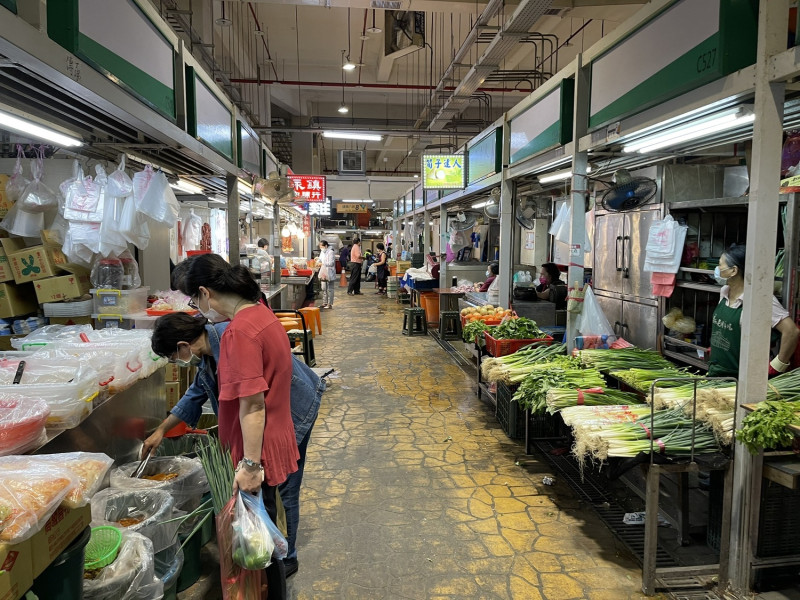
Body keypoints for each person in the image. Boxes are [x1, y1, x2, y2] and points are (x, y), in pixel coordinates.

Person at [146, 313, 324, 578]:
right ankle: (270, 548)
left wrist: (251, 463)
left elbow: (253, 405)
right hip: (268, 415)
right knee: (268, 487)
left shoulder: (234, 339)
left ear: (183, 346)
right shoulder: (208, 355)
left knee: (285, 485)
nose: (176, 363)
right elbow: (195, 394)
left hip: (293, 409)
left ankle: (288, 556)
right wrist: (161, 429)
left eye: (173, 357)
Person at [180, 253, 298, 597]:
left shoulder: (239, 332)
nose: (199, 308)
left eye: (194, 300)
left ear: (204, 292)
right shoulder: (262, 313)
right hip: (275, 435)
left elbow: (252, 404)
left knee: (260, 539)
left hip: (258, 447)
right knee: (267, 529)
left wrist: (249, 464)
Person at [707, 244, 799, 378]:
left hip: (741, 379)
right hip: (716, 371)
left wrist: (778, 365)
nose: (717, 269)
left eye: (720, 265)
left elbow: (791, 332)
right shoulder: (725, 292)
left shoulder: (759, 299)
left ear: (733, 271)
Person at [318, 239, 336, 309]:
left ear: (325, 246)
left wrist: (322, 264)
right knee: (323, 288)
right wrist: (317, 260)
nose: (321, 249)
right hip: (323, 272)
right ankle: (324, 302)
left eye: (322, 247)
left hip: (330, 272)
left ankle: (330, 304)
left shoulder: (331, 252)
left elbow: (331, 263)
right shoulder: (322, 252)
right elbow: (320, 259)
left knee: (330, 289)